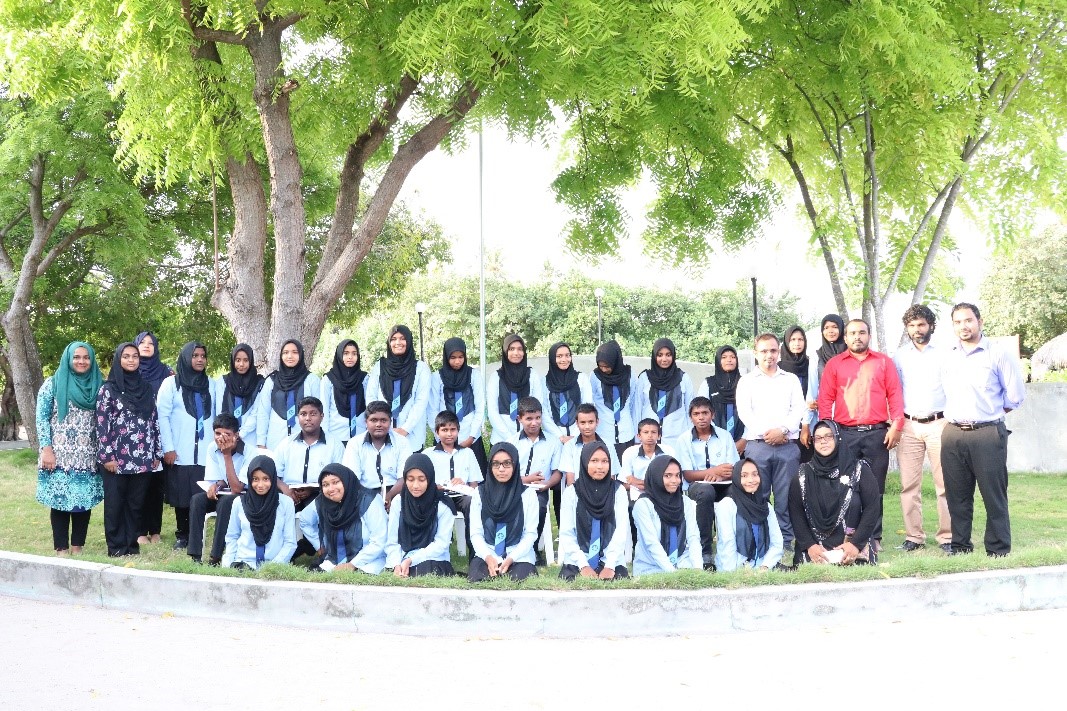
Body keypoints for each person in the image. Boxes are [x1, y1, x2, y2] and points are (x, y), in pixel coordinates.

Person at [940, 303, 1025, 557]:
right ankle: (960, 546)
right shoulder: (948, 355)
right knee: (957, 495)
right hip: (953, 433)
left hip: (987, 433)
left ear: (980, 321)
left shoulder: (998, 354)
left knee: (993, 494)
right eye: (957, 322)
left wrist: (989, 414)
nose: (963, 326)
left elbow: (1015, 396)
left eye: (968, 320)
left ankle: (998, 549)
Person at [817, 318, 904, 548]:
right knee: (844, 484)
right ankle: (846, 535)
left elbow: (895, 395)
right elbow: (825, 399)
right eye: (853, 333)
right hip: (844, 434)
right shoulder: (835, 364)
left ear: (869, 335)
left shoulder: (883, 362)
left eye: (862, 332)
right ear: (845, 338)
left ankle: (873, 537)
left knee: (874, 488)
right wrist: (827, 432)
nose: (857, 337)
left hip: (877, 434)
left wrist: (897, 426)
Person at [734, 333, 807, 551]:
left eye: (773, 350)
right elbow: (745, 413)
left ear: (779, 352)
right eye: (764, 351)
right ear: (755, 353)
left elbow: (798, 409)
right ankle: (762, 538)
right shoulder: (747, 381)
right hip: (758, 446)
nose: (769, 355)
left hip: (787, 446)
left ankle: (785, 540)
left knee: (786, 496)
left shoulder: (790, 379)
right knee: (759, 494)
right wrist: (768, 434)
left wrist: (782, 430)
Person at [36, 341, 104, 556]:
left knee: (83, 501)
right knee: (60, 500)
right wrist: (46, 449)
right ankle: (61, 548)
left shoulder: (98, 385)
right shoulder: (53, 384)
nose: (81, 361)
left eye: (86, 357)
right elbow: (41, 418)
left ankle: (77, 546)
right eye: (76, 357)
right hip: (59, 454)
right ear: (68, 359)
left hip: (87, 454)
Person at [893, 304, 952, 553]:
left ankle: (947, 537)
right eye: (912, 325)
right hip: (908, 425)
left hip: (940, 423)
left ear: (931, 326)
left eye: (921, 324)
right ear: (907, 328)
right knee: (909, 485)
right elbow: (895, 391)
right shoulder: (899, 356)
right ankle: (914, 537)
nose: (917, 329)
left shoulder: (946, 353)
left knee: (945, 484)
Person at [96, 343, 163, 557]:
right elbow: (102, 424)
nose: (131, 360)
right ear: (119, 359)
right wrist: (107, 456)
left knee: (136, 504)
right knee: (115, 504)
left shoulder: (146, 389)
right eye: (126, 356)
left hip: (142, 457)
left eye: (135, 356)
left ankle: (131, 546)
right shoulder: (108, 390)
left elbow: (154, 421)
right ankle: (116, 547)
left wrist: (156, 453)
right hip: (116, 458)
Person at [789, 420, 880, 566]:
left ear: (838, 438)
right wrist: (810, 546)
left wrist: (855, 544)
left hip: (852, 544)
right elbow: (796, 513)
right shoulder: (803, 474)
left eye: (828, 436)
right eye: (818, 438)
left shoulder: (859, 470)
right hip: (815, 547)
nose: (823, 441)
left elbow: (872, 508)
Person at [157, 341, 221, 549]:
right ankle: (183, 535)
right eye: (195, 356)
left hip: (205, 450)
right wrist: (168, 447)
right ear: (186, 358)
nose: (200, 359)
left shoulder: (212, 384)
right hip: (180, 450)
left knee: (200, 494)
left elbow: (218, 415)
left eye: (203, 356)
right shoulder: (171, 384)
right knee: (182, 494)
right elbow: (162, 416)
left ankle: (198, 533)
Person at [671, 396, 739, 570]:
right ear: (690, 417)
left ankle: (734, 547)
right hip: (697, 486)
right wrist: (713, 472)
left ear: (712, 414)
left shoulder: (724, 436)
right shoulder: (684, 439)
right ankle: (705, 550)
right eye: (696, 414)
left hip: (724, 483)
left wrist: (719, 476)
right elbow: (687, 474)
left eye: (705, 413)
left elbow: (732, 468)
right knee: (705, 492)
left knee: (737, 492)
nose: (701, 417)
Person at [557, 442, 630, 581]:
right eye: (594, 461)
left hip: (610, 559)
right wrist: (583, 565)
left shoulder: (618, 491)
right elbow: (567, 533)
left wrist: (610, 565)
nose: (600, 466)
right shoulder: (572, 492)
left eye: (605, 461)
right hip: (578, 560)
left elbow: (620, 531)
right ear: (584, 462)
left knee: (618, 586)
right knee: (572, 586)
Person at [468, 443, 539, 582]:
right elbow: (476, 533)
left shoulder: (528, 494)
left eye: (507, 463)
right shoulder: (480, 493)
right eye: (496, 464)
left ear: (515, 465)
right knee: (478, 578)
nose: (501, 469)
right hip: (488, 551)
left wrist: (512, 558)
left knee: (520, 580)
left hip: (518, 554)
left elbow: (530, 534)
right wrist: (488, 557)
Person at [298, 463, 388, 574]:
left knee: (358, 579)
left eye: (335, 482)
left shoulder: (369, 500)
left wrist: (352, 564)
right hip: (334, 559)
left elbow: (379, 540)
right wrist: (319, 546)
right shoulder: (322, 501)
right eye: (325, 485)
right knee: (317, 577)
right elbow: (304, 520)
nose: (331, 489)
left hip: (370, 559)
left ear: (346, 481)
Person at [507, 396, 562, 564]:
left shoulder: (553, 442)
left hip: (540, 490)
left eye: (538, 418)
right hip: (515, 488)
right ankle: (512, 547)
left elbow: (557, 472)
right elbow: (506, 474)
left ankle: (533, 548)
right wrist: (527, 479)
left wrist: (547, 484)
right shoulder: (511, 443)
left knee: (539, 507)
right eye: (529, 418)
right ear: (519, 419)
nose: (534, 423)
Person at [187, 413, 247, 565]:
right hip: (225, 493)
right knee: (197, 500)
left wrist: (226, 455)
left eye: (227, 434)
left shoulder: (248, 451)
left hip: (243, 497)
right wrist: (216, 485)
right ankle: (195, 555)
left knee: (225, 502)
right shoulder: (212, 448)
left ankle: (216, 556)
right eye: (218, 433)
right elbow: (220, 479)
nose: (221, 438)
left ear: (236, 435)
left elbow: (237, 488)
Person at [385, 453, 457, 578]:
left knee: (425, 571)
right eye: (410, 479)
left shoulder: (443, 505)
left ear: (429, 478)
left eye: (421, 479)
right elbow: (392, 541)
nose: (415, 485)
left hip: (432, 558)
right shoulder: (399, 502)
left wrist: (411, 559)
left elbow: (441, 544)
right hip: (402, 557)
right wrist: (396, 564)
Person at [422, 410, 482, 558]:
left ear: (458, 431)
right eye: (444, 430)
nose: (449, 434)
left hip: (462, 496)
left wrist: (463, 485)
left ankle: (475, 552)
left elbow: (474, 485)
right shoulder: (428, 454)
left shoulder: (468, 453)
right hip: (439, 495)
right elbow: (422, 482)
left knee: (472, 503)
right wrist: (437, 487)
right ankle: (434, 553)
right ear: (437, 432)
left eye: (453, 429)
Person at [221, 455, 297, 569]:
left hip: (273, 565)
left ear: (273, 479)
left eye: (265, 479)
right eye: (255, 479)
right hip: (243, 564)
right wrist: (228, 566)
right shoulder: (239, 503)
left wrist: (271, 569)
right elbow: (232, 537)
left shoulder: (286, 503)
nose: (260, 485)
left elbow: (290, 543)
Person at [274, 397, 345, 518]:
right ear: (298, 417)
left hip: (322, 494)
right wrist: (284, 488)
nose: (308, 418)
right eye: (303, 414)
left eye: (313, 414)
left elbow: (340, 476)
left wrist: (313, 489)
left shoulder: (334, 444)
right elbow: (272, 473)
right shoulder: (286, 443)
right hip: (289, 493)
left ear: (322, 416)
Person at [133, 331, 173, 546]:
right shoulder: (130, 370)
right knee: (140, 484)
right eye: (143, 342)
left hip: (160, 434)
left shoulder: (166, 372)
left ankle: (155, 530)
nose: (147, 346)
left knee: (157, 485)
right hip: (136, 437)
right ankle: (139, 531)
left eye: (151, 343)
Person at [632, 455, 702, 575]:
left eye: (677, 475)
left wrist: (698, 568)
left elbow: (693, 537)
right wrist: (673, 574)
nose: (674, 480)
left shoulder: (684, 501)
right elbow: (651, 543)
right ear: (656, 477)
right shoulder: (643, 505)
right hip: (651, 568)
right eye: (668, 476)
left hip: (682, 564)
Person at [366, 325, 432, 450]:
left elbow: (421, 402)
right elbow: (371, 397)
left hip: (411, 437)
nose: (398, 343)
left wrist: (405, 429)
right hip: (382, 435)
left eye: (402, 338)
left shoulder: (421, 368)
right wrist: (381, 425)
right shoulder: (380, 366)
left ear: (409, 341)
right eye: (393, 339)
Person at [429, 337, 487, 473]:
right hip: (444, 437)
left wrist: (471, 437)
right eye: (453, 357)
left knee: (474, 477)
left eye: (461, 357)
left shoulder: (473, 375)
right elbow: (432, 410)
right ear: (446, 357)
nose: (457, 361)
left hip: (471, 437)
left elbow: (480, 407)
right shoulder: (437, 377)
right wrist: (441, 437)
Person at [713, 458, 784, 571]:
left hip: (762, 568)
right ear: (736, 478)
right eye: (744, 476)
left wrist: (765, 566)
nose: (751, 480)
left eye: (755, 474)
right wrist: (735, 574)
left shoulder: (765, 506)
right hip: (734, 568)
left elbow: (777, 543)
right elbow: (727, 544)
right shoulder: (727, 506)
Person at [342, 400, 412, 504]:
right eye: (373, 420)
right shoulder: (354, 444)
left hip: (396, 493)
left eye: (383, 420)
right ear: (366, 422)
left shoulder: (402, 442)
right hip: (364, 495)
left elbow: (404, 477)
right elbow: (352, 479)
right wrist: (372, 501)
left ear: (390, 422)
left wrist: (389, 496)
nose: (378, 424)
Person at [256, 339, 320, 450]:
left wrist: (317, 440)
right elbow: (263, 413)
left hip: (304, 441)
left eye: (295, 352)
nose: (290, 356)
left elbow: (318, 412)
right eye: (285, 353)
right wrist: (261, 443)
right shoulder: (271, 381)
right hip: (275, 442)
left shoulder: (311, 380)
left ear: (301, 355)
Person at [634, 338, 694, 441]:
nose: (664, 359)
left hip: (676, 438)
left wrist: (690, 437)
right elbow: (637, 408)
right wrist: (637, 439)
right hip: (649, 438)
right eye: (660, 355)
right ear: (654, 356)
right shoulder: (645, 377)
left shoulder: (683, 378)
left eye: (668, 355)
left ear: (673, 356)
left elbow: (690, 409)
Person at [589, 340, 639, 459]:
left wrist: (637, 434)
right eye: (601, 366)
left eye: (607, 366)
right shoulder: (595, 376)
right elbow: (590, 403)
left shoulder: (630, 375)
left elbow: (634, 404)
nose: (604, 370)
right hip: (603, 433)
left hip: (626, 434)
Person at [777, 326, 819, 461]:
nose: (797, 343)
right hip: (786, 425)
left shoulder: (811, 364)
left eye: (800, 339)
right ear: (786, 342)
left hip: (809, 422)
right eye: (793, 339)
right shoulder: (779, 368)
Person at [558, 403, 621, 486]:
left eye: (591, 422)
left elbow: (611, 477)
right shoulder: (569, 446)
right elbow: (570, 479)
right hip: (577, 490)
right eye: (583, 423)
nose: (587, 426)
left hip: (603, 491)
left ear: (597, 422)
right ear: (577, 423)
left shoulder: (608, 445)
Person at [697, 345, 745, 452]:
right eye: (724, 357)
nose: (729, 360)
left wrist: (744, 440)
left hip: (743, 444)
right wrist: (716, 436)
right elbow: (701, 411)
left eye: (732, 357)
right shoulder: (708, 384)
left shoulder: (745, 383)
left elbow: (752, 412)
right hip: (714, 441)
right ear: (718, 360)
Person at [321, 339, 368, 446]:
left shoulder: (364, 379)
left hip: (360, 436)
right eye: (346, 353)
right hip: (336, 436)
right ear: (339, 355)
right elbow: (324, 408)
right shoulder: (329, 379)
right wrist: (325, 435)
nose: (350, 357)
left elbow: (369, 406)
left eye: (354, 354)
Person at [543, 342, 593, 443]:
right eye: (559, 356)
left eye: (567, 355)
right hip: (554, 438)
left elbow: (587, 407)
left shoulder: (581, 378)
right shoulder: (544, 382)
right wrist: (560, 436)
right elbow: (543, 412)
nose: (564, 359)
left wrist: (574, 436)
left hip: (579, 436)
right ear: (552, 358)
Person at [217, 343, 265, 448]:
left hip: (249, 439)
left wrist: (241, 434)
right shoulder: (223, 381)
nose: (241, 364)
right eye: (238, 360)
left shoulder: (259, 383)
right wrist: (228, 434)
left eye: (246, 360)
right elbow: (219, 411)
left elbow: (256, 413)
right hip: (226, 438)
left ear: (251, 361)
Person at [815, 314, 846, 382]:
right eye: (826, 328)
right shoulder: (817, 356)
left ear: (841, 328)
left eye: (834, 327)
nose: (830, 331)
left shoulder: (851, 352)